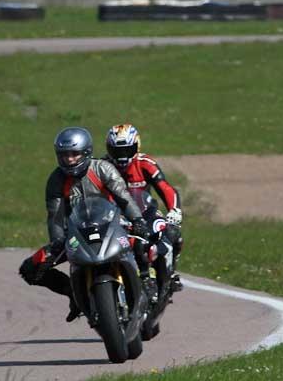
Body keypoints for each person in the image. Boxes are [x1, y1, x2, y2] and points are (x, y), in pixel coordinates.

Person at [18, 127, 151, 322]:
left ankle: (146, 282)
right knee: (29, 269)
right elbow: (55, 216)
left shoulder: (103, 169)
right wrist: (56, 242)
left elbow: (124, 198)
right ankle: (72, 292)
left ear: (87, 152)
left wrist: (137, 220)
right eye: (64, 155)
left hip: (113, 225)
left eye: (74, 154)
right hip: (76, 234)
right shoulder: (56, 180)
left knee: (142, 243)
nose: (69, 159)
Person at [104, 124, 184, 292]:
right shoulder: (102, 166)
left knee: (172, 233)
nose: (122, 156)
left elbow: (166, 189)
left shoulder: (145, 163)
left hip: (146, 212)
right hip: (114, 217)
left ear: (136, 147)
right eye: (117, 151)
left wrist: (174, 211)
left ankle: (171, 273)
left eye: (127, 150)